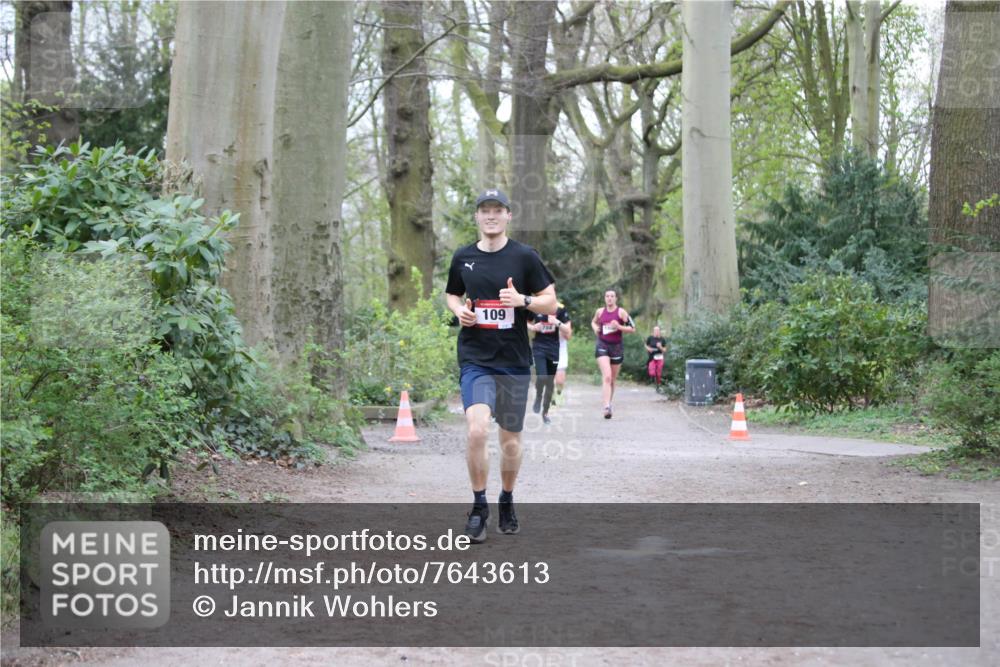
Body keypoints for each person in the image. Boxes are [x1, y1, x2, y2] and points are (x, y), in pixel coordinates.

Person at [445, 188, 557, 543]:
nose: (490, 216)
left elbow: (550, 302)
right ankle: (479, 506)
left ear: (509, 215)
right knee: (477, 430)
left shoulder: (524, 257)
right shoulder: (463, 257)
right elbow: (452, 293)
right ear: (477, 217)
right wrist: (458, 310)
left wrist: (522, 299)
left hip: (513, 362)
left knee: (510, 440)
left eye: (497, 210)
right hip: (476, 358)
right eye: (484, 211)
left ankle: (506, 497)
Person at [591, 288, 635, 419]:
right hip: (602, 345)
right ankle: (606, 407)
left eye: (612, 296)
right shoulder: (599, 311)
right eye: (607, 296)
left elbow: (633, 328)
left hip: (616, 347)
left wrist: (619, 327)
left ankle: (609, 402)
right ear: (604, 298)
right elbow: (593, 322)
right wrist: (595, 328)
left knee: (613, 380)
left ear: (616, 299)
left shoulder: (621, 312)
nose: (609, 298)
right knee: (607, 377)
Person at [528, 302, 571, 424]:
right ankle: (538, 396)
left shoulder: (560, 309)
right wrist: (533, 327)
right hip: (539, 347)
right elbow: (524, 322)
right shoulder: (535, 307)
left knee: (550, 382)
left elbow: (567, 330)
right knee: (542, 377)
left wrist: (556, 322)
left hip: (554, 349)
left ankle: (545, 413)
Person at [554, 302, 572, 398]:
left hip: (560, 349)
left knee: (559, 381)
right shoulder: (539, 308)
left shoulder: (561, 308)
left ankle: (558, 394)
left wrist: (559, 326)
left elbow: (568, 336)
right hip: (544, 348)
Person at [645, 325, 668, 391]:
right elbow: (646, 345)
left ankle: (658, 384)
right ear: (653, 331)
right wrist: (648, 349)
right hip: (652, 357)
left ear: (660, 331)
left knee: (658, 373)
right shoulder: (650, 338)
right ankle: (652, 378)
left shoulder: (662, 339)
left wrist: (660, 347)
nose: (656, 332)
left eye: (658, 330)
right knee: (651, 371)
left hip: (660, 357)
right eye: (655, 330)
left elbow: (665, 350)